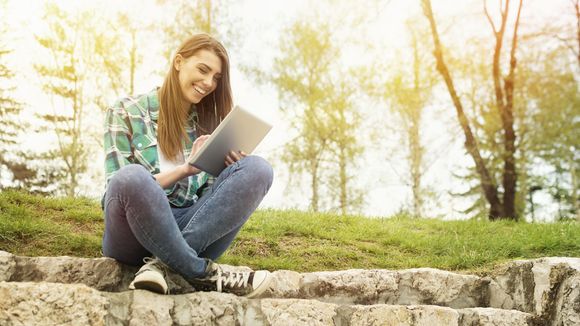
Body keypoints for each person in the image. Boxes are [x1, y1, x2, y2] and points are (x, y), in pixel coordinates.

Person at [101, 33, 273, 298]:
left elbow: (211, 210)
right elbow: (118, 189)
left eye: (216, 78)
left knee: (258, 169)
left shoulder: (208, 128)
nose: (208, 83)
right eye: (203, 70)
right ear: (179, 62)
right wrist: (185, 169)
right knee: (131, 177)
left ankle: (163, 267)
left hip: (188, 228)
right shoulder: (126, 110)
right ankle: (201, 272)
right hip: (132, 231)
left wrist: (228, 172)